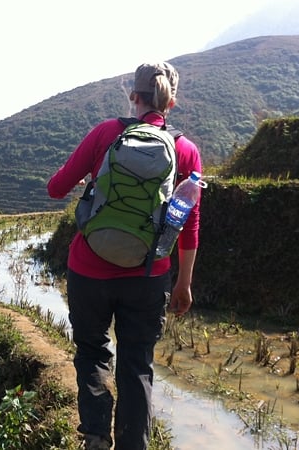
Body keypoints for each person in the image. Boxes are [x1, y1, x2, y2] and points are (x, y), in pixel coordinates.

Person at [46, 61, 202, 450]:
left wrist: (91, 182)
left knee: (93, 351)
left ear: (133, 96)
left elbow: (55, 189)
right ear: (172, 102)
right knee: (136, 365)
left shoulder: (105, 134)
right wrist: (184, 283)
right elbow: (189, 222)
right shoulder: (185, 150)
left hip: (89, 269)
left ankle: (96, 437)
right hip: (149, 275)